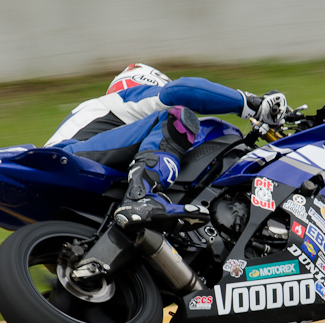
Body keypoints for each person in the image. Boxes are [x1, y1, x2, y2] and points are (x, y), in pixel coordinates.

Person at [45, 63, 287, 228]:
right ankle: (141, 197)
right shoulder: (124, 99)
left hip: (65, 189)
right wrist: (252, 104)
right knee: (179, 118)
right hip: (67, 158)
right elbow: (181, 91)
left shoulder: (105, 117)